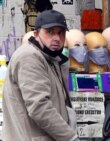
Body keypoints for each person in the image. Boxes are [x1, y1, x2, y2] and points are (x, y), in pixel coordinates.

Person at [2, 10, 79, 141]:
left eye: (61, 33)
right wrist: (70, 138)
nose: (56, 38)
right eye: (50, 32)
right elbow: (39, 107)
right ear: (36, 33)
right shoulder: (29, 57)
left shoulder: (51, 58)